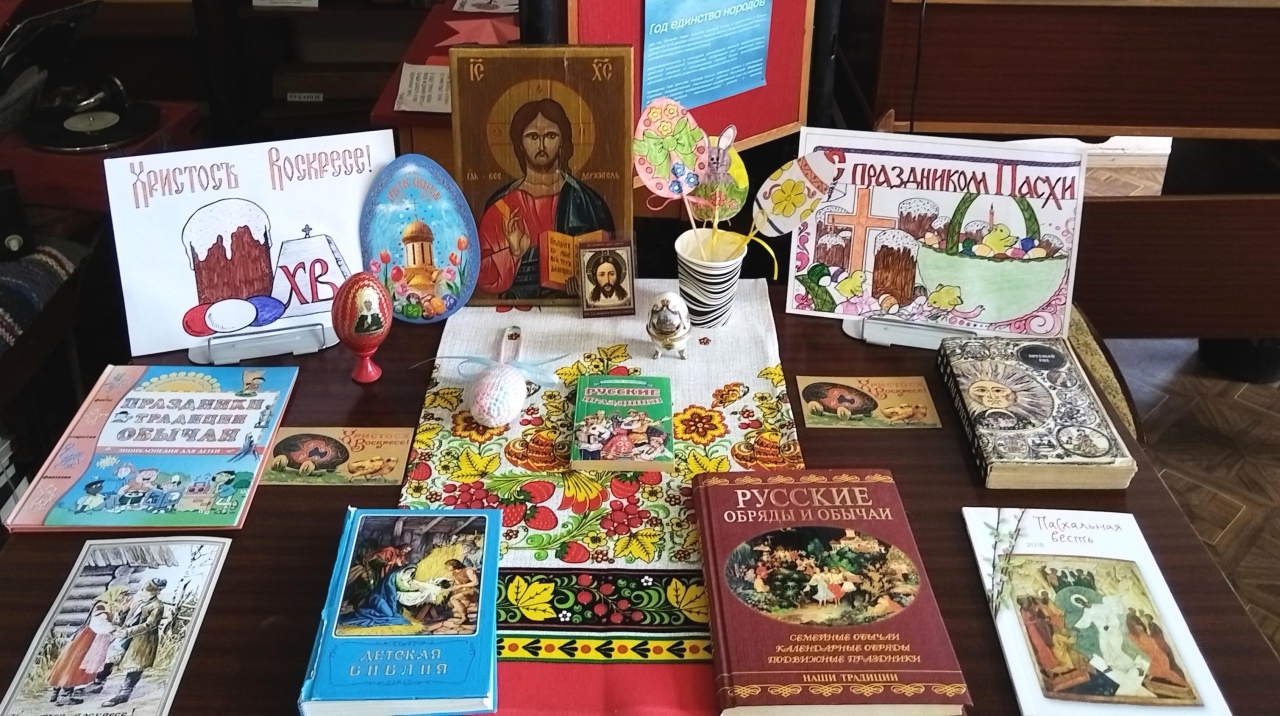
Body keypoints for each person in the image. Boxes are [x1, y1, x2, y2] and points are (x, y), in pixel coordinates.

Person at [477, 98, 614, 299]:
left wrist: (587, 281)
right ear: (520, 144)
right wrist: (513, 253)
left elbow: (611, 263)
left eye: (550, 135)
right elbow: (482, 275)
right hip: (519, 307)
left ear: (562, 141)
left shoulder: (587, 203)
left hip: (573, 307)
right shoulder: (501, 207)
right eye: (532, 136)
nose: (541, 145)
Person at [101, 578, 167, 707]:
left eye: (149, 590)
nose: (144, 591)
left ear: (156, 592)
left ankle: (124, 694)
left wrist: (128, 631)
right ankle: (98, 682)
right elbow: (127, 616)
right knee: (111, 657)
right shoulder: (137, 599)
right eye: (145, 589)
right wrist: (122, 613)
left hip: (143, 638)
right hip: (125, 634)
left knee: (136, 664)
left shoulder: (157, 606)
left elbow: (150, 624)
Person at [444, 559, 479, 626]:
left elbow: (475, 582)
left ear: (454, 565)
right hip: (464, 591)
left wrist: (460, 586)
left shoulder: (468, 571)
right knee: (451, 604)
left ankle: (464, 618)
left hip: (473, 590)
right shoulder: (454, 573)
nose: (447, 567)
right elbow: (458, 584)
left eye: (448, 565)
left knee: (453, 599)